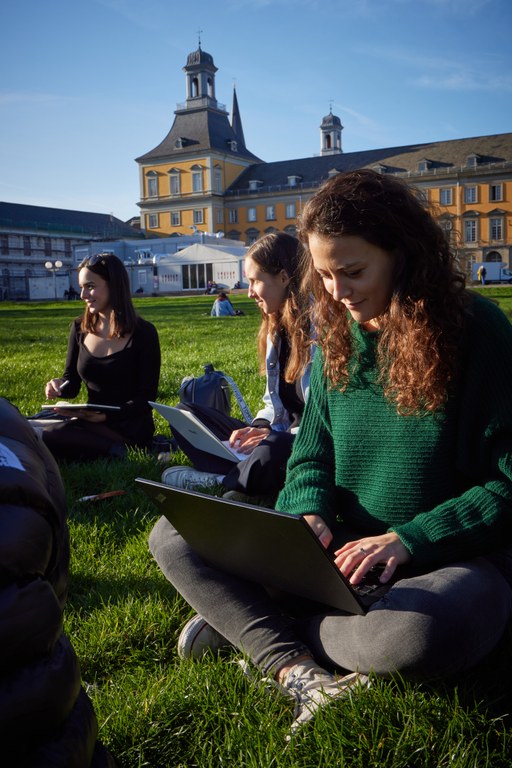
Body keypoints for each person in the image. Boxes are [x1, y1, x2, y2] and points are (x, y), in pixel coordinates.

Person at [149, 169, 512, 736]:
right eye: (323, 274)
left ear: (404, 254)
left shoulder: (480, 333)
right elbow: (310, 457)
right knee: (173, 534)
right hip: (339, 558)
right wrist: (309, 512)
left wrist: (409, 539)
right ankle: (298, 671)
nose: (338, 292)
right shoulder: (337, 339)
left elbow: (508, 485)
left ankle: (257, 622)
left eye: (354, 271)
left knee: (428, 631)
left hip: (442, 563)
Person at [0, 397, 117, 766]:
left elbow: (135, 403)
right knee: (52, 427)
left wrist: (98, 412)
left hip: (113, 421)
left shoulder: (142, 335)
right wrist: (63, 392)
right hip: (60, 731)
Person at [159, 231, 313, 501]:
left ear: (284, 277)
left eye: (255, 280)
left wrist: (270, 438)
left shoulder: (320, 333)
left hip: (307, 441)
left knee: (273, 449)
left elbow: (325, 422)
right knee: (187, 414)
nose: (250, 291)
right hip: (278, 434)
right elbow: (272, 402)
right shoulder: (276, 330)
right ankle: (247, 469)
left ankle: (221, 480)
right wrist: (258, 427)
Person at [40, 252, 161, 461]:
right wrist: (59, 385)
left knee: (50, 434)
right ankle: (105, 448)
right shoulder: (79, 328)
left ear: (114, 285)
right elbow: (72, 383)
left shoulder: (144, 333)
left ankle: (120, 451)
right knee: (27, 425)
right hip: (89, 419)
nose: (83, 295)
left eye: (90, 286)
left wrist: (106, 415)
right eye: (81, 287)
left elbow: (146, 397)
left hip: (128, 425)